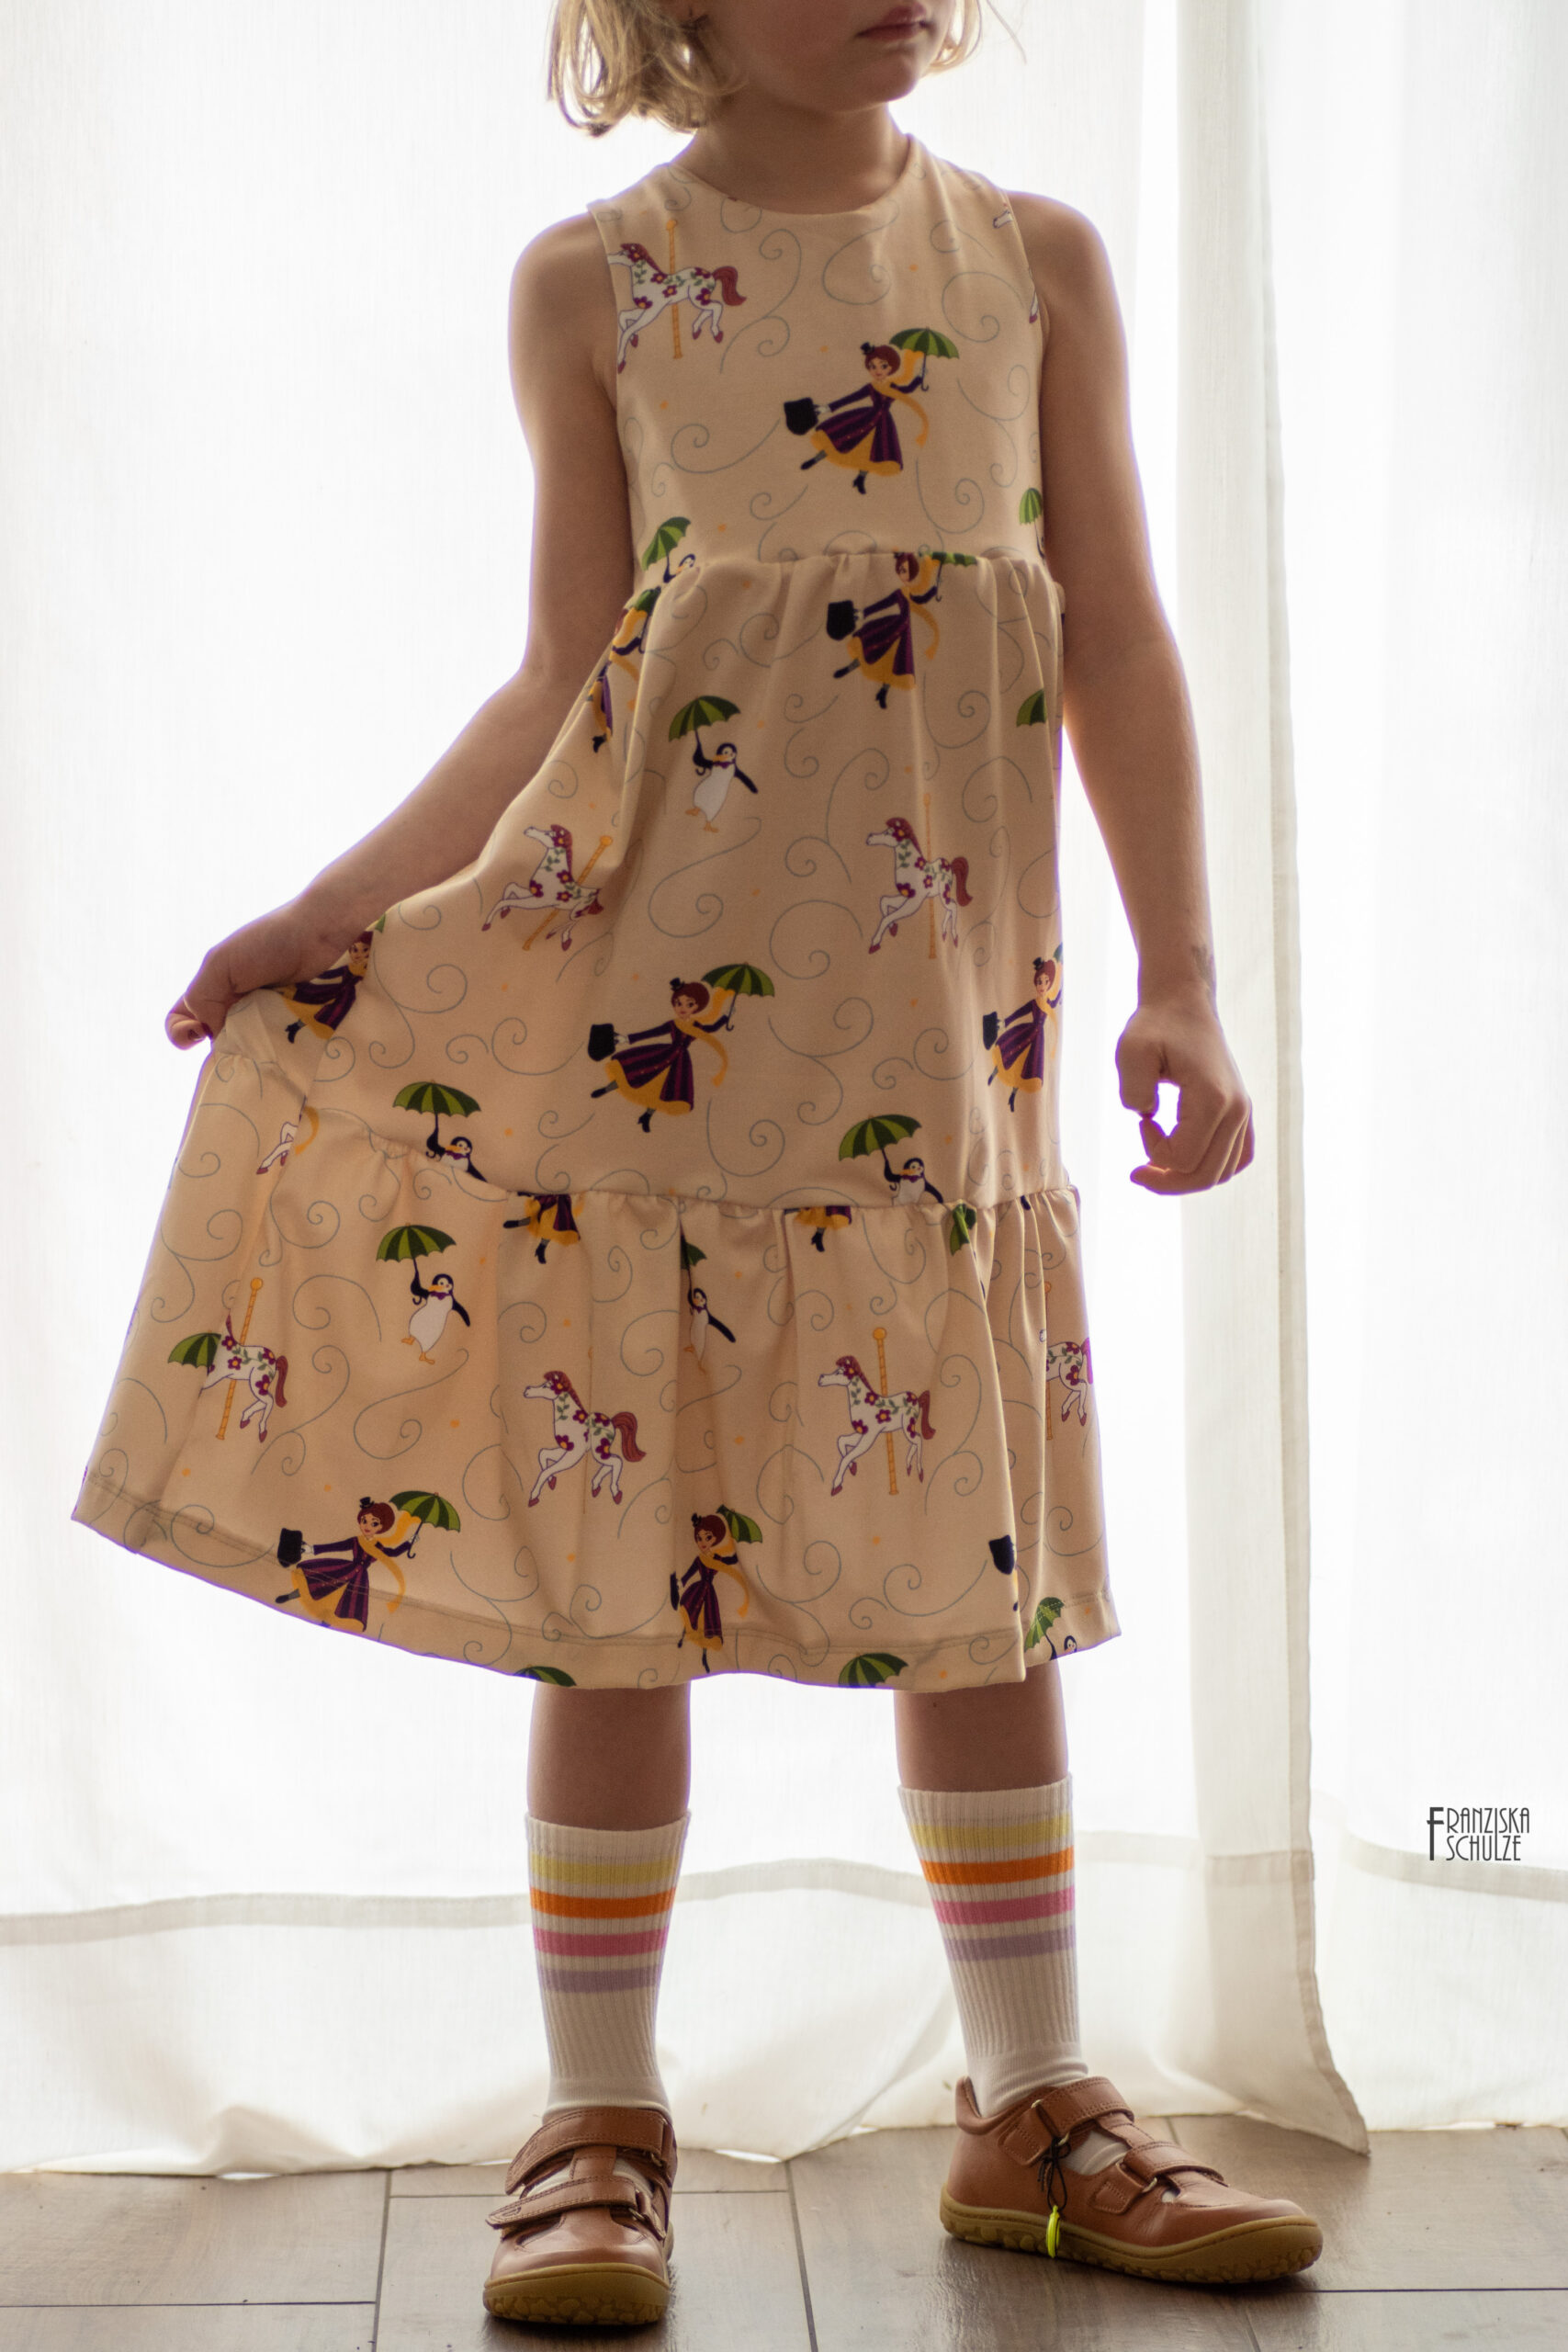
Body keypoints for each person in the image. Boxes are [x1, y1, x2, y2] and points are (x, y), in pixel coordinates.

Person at [70, 0, 1325, 2324]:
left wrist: (1182, 975)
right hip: (635, 1053)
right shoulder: (595, 284)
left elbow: (1120, 642)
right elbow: (560, 673)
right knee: (609, 1579)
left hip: (934, 1061)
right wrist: (333, 911)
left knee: (974, 1576)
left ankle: (1032, 2100)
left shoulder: (1030, 262)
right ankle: (596, 2118)